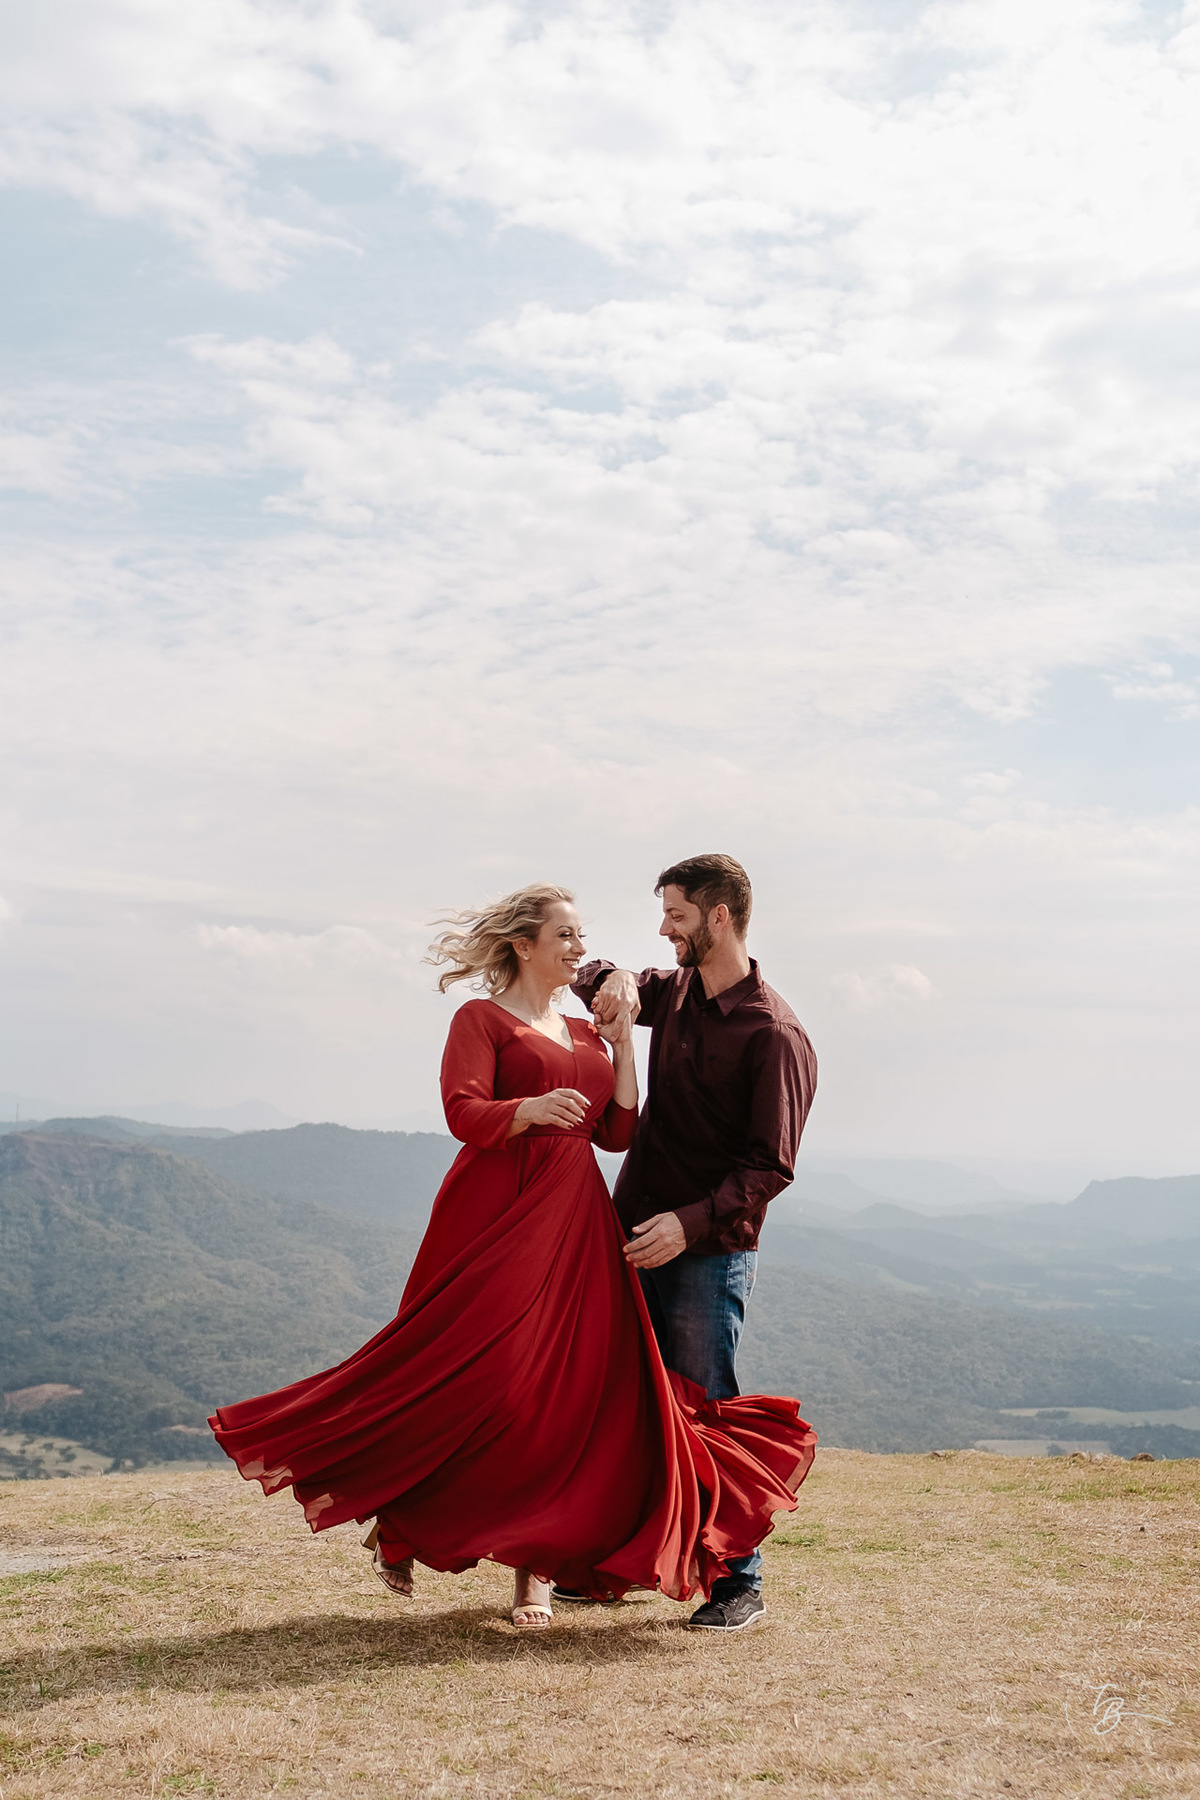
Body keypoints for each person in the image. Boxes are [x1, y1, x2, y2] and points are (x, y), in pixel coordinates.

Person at [210, 883, 815, 1630]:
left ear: (717, 915)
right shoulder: (482, 1018)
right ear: (523, 946)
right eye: (566, 936)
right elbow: (462, 1110)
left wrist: (625, 1045)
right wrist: (527, 1108)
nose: (581, 949)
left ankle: (621, 1576)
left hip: (584, 1224)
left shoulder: (631, 1030)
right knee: (487, 1381)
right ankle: (404, 1514)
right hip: (502, 1215)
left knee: (578, 1400)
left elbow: (618, 1132)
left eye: (674, 916)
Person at [564, 853, 818, 1632]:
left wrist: (689, 1223)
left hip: (708, 1254)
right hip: (634, 1233)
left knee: (705, 1409)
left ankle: (739, 1583)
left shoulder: (774, 1033)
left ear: (719, 917)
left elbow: (770, 1167)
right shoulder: (670, 993)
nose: (664, 928)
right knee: (628, 1402)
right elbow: (597, 979)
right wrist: (610, 976)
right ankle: (620, 1565)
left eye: (676, 914)